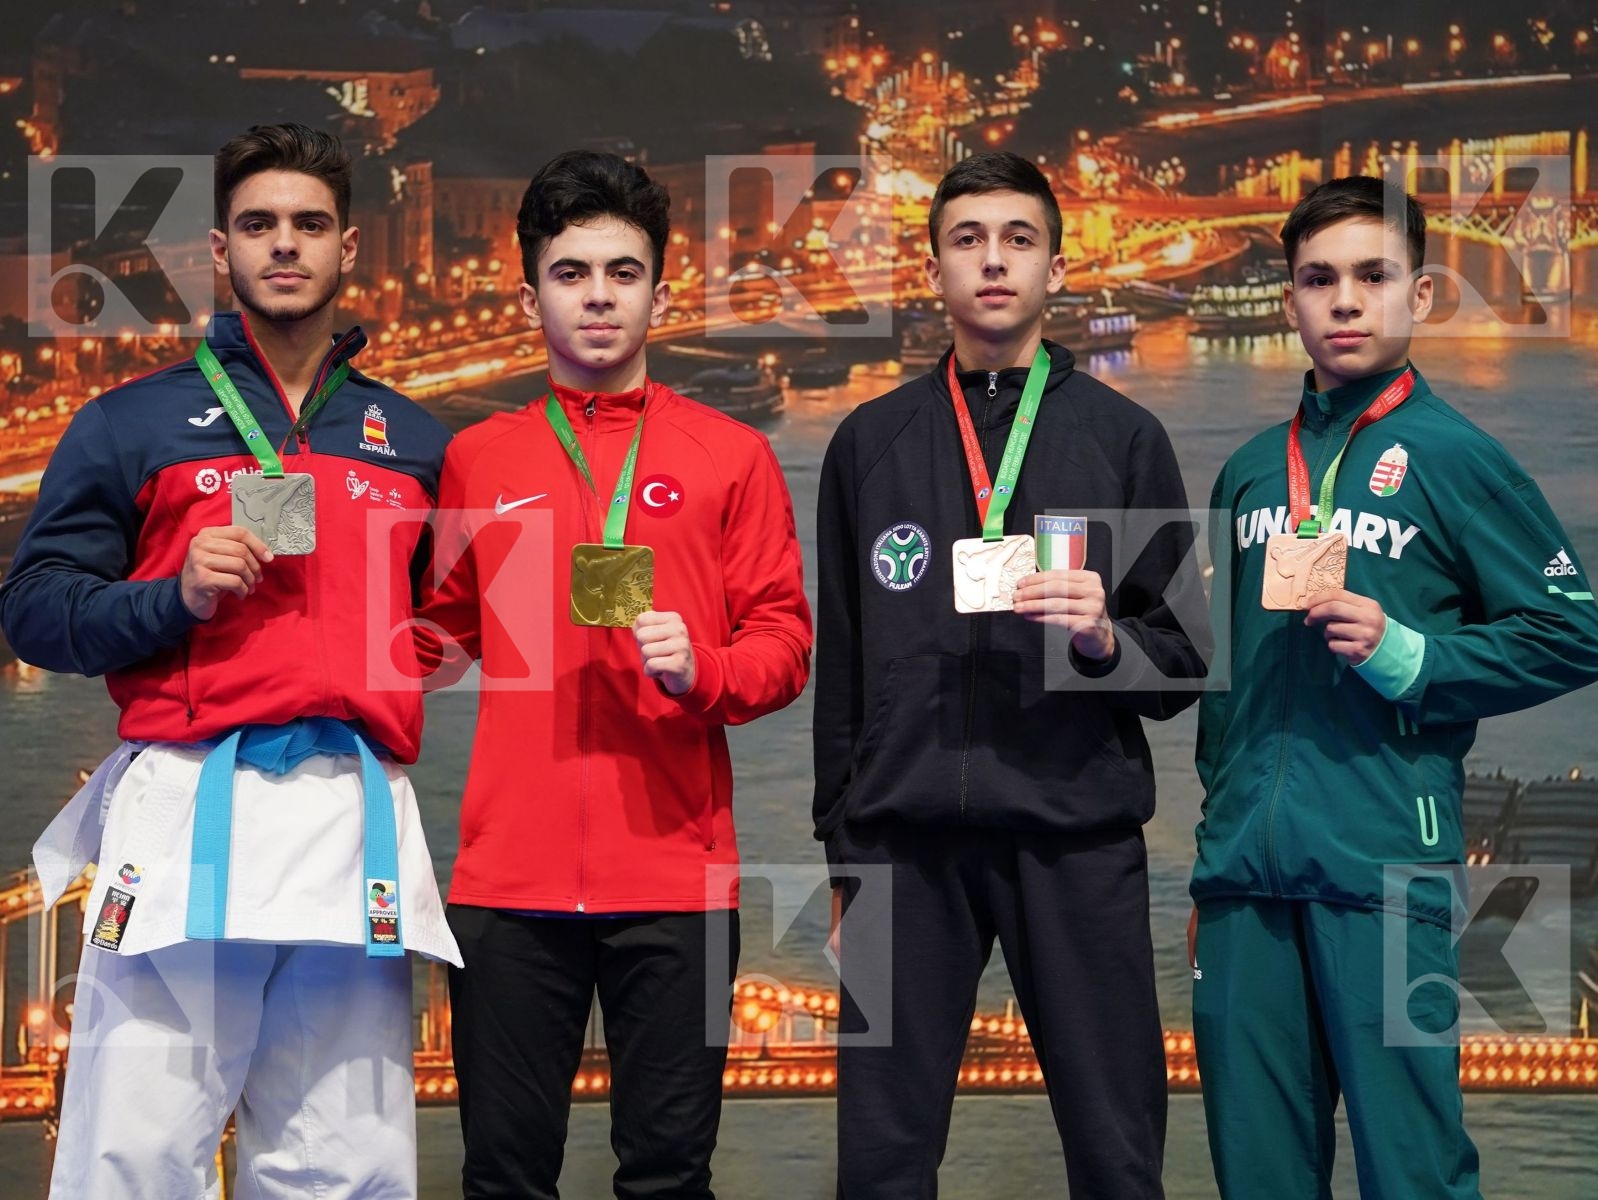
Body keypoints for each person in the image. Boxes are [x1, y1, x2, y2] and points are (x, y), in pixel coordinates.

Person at [0, 122, 459, 1199]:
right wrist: (175, 597)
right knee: (134, 1153)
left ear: (350, 248)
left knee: (347, 1163)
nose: (284, 246)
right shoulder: (129, 425)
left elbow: (462, 622)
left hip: (355, 817)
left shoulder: (417, 442)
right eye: (259, 225)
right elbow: (31, 610)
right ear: (220, 249)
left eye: (309, 225)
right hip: (183, 814)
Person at [1189, 175, 1598, 1198]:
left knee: (1411, 1169)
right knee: (1255, 1175)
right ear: (1287, 300)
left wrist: (1414, 658)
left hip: (1387, 871)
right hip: (1243, 877)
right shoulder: (1245, 473)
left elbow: (1571, 631)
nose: (1342, 300)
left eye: (1370, 276)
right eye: (1316, 279)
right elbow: (1224, 685)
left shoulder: (1457, 459)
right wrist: (1212, 848)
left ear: (1417, 297)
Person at [812, 150, 1206, 1199]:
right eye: (967, 241)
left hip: (1073, 837)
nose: (993, 263)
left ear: (1057, 272)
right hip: (901, 847)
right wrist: (840, 854)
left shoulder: (1122, 438)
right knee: (882, 1161)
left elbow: (1181, 658)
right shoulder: (867, 442)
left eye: (1018, 241)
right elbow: (841, 669)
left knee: (1116, 1150)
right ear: (932, 270)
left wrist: (1099, 645)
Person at [419, 150, 811, 1199]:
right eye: (570, 272)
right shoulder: (478, 459)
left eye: (622, 272)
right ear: (529, 293)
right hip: (507, 884)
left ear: (660, 292)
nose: (597, 295)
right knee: (502, 1175)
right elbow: (436, 636)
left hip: (677, 885)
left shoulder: (731, 453)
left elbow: (785, 644)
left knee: (670, 1176)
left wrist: (704, 670)